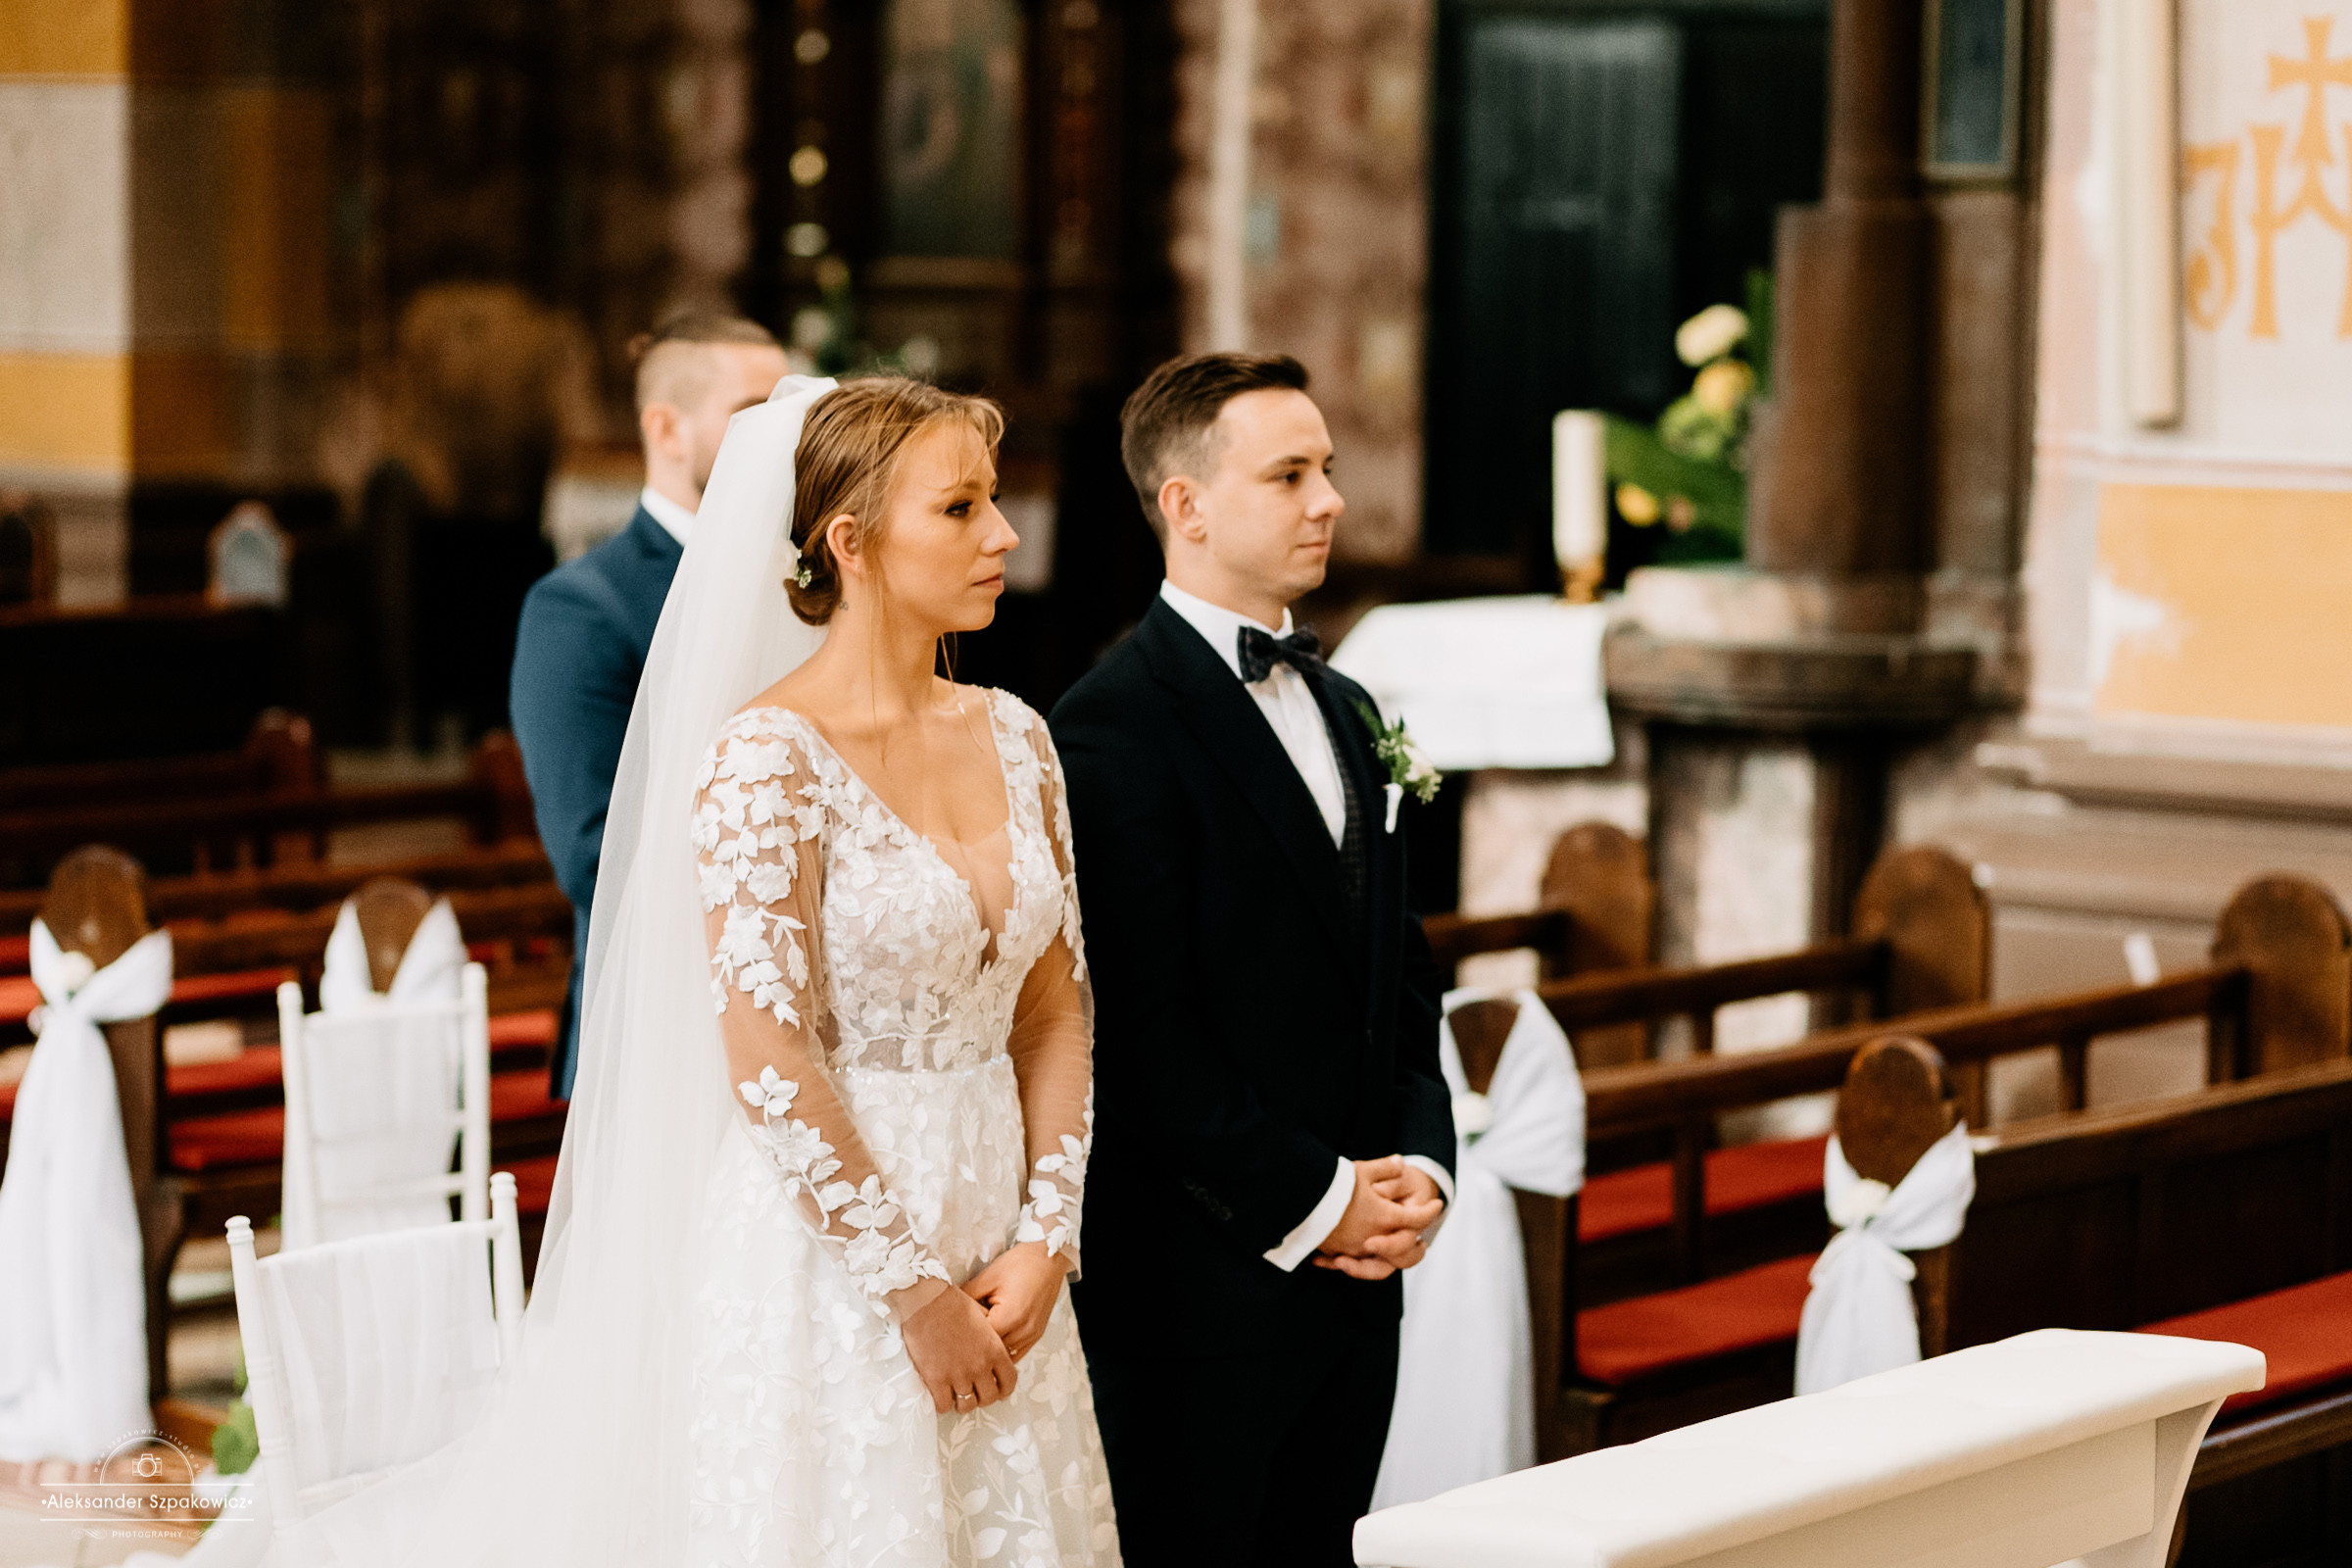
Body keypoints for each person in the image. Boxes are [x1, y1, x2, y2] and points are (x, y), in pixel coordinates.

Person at [293, 375, 1114, 1568]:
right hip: (834, 1258)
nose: (1004, 534)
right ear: (854, 540)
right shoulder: (767, 761)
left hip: (1005, 1238)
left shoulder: (1020, 736)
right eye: (962, 507)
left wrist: (1048, 1233)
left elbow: (1053, 1013)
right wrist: (912, 1294)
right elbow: (768, 1056)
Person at [1050, 352, 1455, 1567]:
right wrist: (1319, 1200)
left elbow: (1406, 968)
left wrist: (1421, 1160)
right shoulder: (1110, 722)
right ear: (1189, 504)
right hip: (1199, 1291)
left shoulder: (1345, 706)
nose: (1328, 498)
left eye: (1326, 468)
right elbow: (1139, 1029)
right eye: (1290, 474)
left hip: (1354, 1287)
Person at [510, 313, 790, 1097]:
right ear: (665, 428)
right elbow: (594, 852)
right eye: (751, 413)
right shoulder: (584, 607)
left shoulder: (813, 580)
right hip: (660, 1034)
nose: (780, 438)